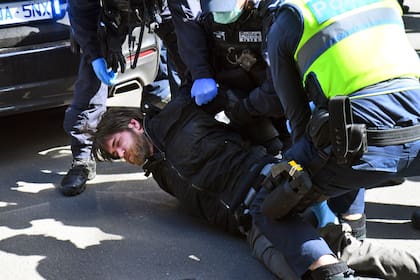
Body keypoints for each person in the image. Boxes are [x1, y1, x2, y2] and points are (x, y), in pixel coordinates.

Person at [92, 92, 420, 280]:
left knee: (334, 254)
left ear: (134, 124)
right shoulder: (160, 169)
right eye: (115, 155)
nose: (122, 156)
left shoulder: (182, 112)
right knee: (312, 266)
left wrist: (278, 153)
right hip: (249, 225)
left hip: (272, 187)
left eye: (118, 145)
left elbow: (247, 110)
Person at [260, 0, 420, 223]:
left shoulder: (292, 18)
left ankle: (346, 230)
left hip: (362, 148)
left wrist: (299, 174)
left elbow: (298, 118)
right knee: (347, 119)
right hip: (416, 134)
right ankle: (353, 217)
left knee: (269, 203)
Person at [61, 0, 187, 196]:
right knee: (90, 82)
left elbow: (183, 15)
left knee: (186, 59)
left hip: (158, 7)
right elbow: (82, 13)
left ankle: (178, 139)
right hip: (111, 15)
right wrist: (95, 56)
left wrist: (199, 73)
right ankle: (83, 159)